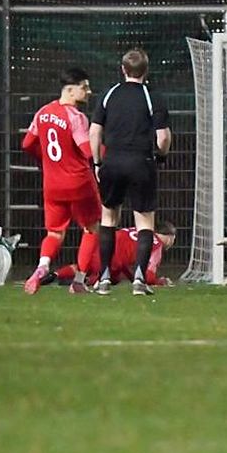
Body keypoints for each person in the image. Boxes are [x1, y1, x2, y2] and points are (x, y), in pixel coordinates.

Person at [89, 48, 172, 296]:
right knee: (144, 221)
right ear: (146, 71)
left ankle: (103, 279)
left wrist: (96, 162)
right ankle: (139, 279)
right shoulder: (152, 96)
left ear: (123, 69)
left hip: (112, 161)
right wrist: (162, 154)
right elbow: (164, 135)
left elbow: (94, 131)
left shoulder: (109, 94)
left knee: (108, 218)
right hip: (141, 162)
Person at [20, 68, 102, 295]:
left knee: (55, 233)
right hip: (79, 183)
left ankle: (41, 267)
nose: (89, 92)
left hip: (52, 184)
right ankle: (79, 281)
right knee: (91, 229)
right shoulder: (76, 117)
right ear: (70, 89)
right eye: (84, 87)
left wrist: (45, 159)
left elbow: (27, 143)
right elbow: (87, 151)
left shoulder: (43, 112)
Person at [47, 220, 177, 288]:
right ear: (169, 237)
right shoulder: (157, 244)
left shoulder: (139, 231)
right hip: (113, 260)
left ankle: (55, 274)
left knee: (86, 267)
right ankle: (87, 281)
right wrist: (160, 281)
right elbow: (148, 277)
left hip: (101, 246)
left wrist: (134, 278)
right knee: (110, 277)